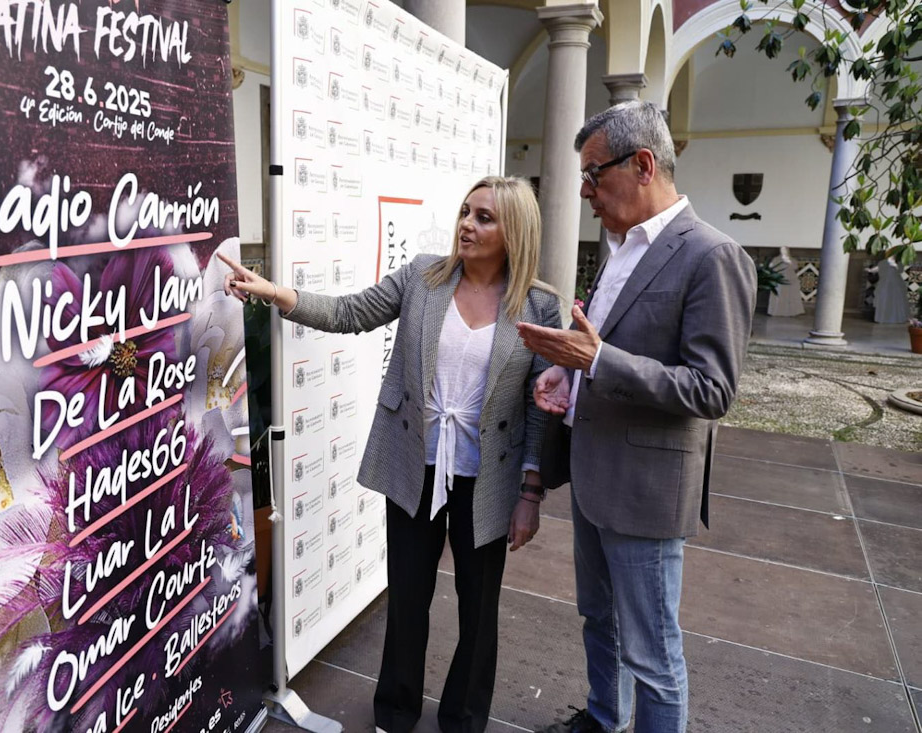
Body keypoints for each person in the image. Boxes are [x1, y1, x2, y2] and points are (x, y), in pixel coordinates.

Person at [218, 176, 561, 733]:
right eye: (465, 212)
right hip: (416, 467)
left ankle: (464, 719)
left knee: (479, 612)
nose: (467, 225)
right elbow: (352, 312)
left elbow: (540, 405)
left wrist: (530, 492)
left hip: (488, 479)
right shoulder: (426, 277)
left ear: (515, 231)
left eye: (484, 218)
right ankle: (395, 714)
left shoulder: (539, 306)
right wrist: (276, 293)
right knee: (407, 598)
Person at [516, 102, 756, 733]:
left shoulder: (712, 256)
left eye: (595, 174)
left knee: (653, 654)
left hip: (648, 492)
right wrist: (565, 373)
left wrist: (596, 361)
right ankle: (603, 718)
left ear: (644, 164)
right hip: (596, 478)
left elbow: (712, 389)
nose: (586, 192)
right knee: (599, 619)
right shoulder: (619, 247)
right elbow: (601, 346)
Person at [767, 246, 803, 317]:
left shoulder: (792, 259)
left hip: (791, 279)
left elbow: (795, 267)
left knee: (791, 295)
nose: (783, 251)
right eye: (782, 249)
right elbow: (772, 268)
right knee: (779, 293)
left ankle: (791, 311)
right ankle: (777, 311)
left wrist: (788, 262)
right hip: (780, 279)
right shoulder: (776, 259)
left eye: (785, 250)